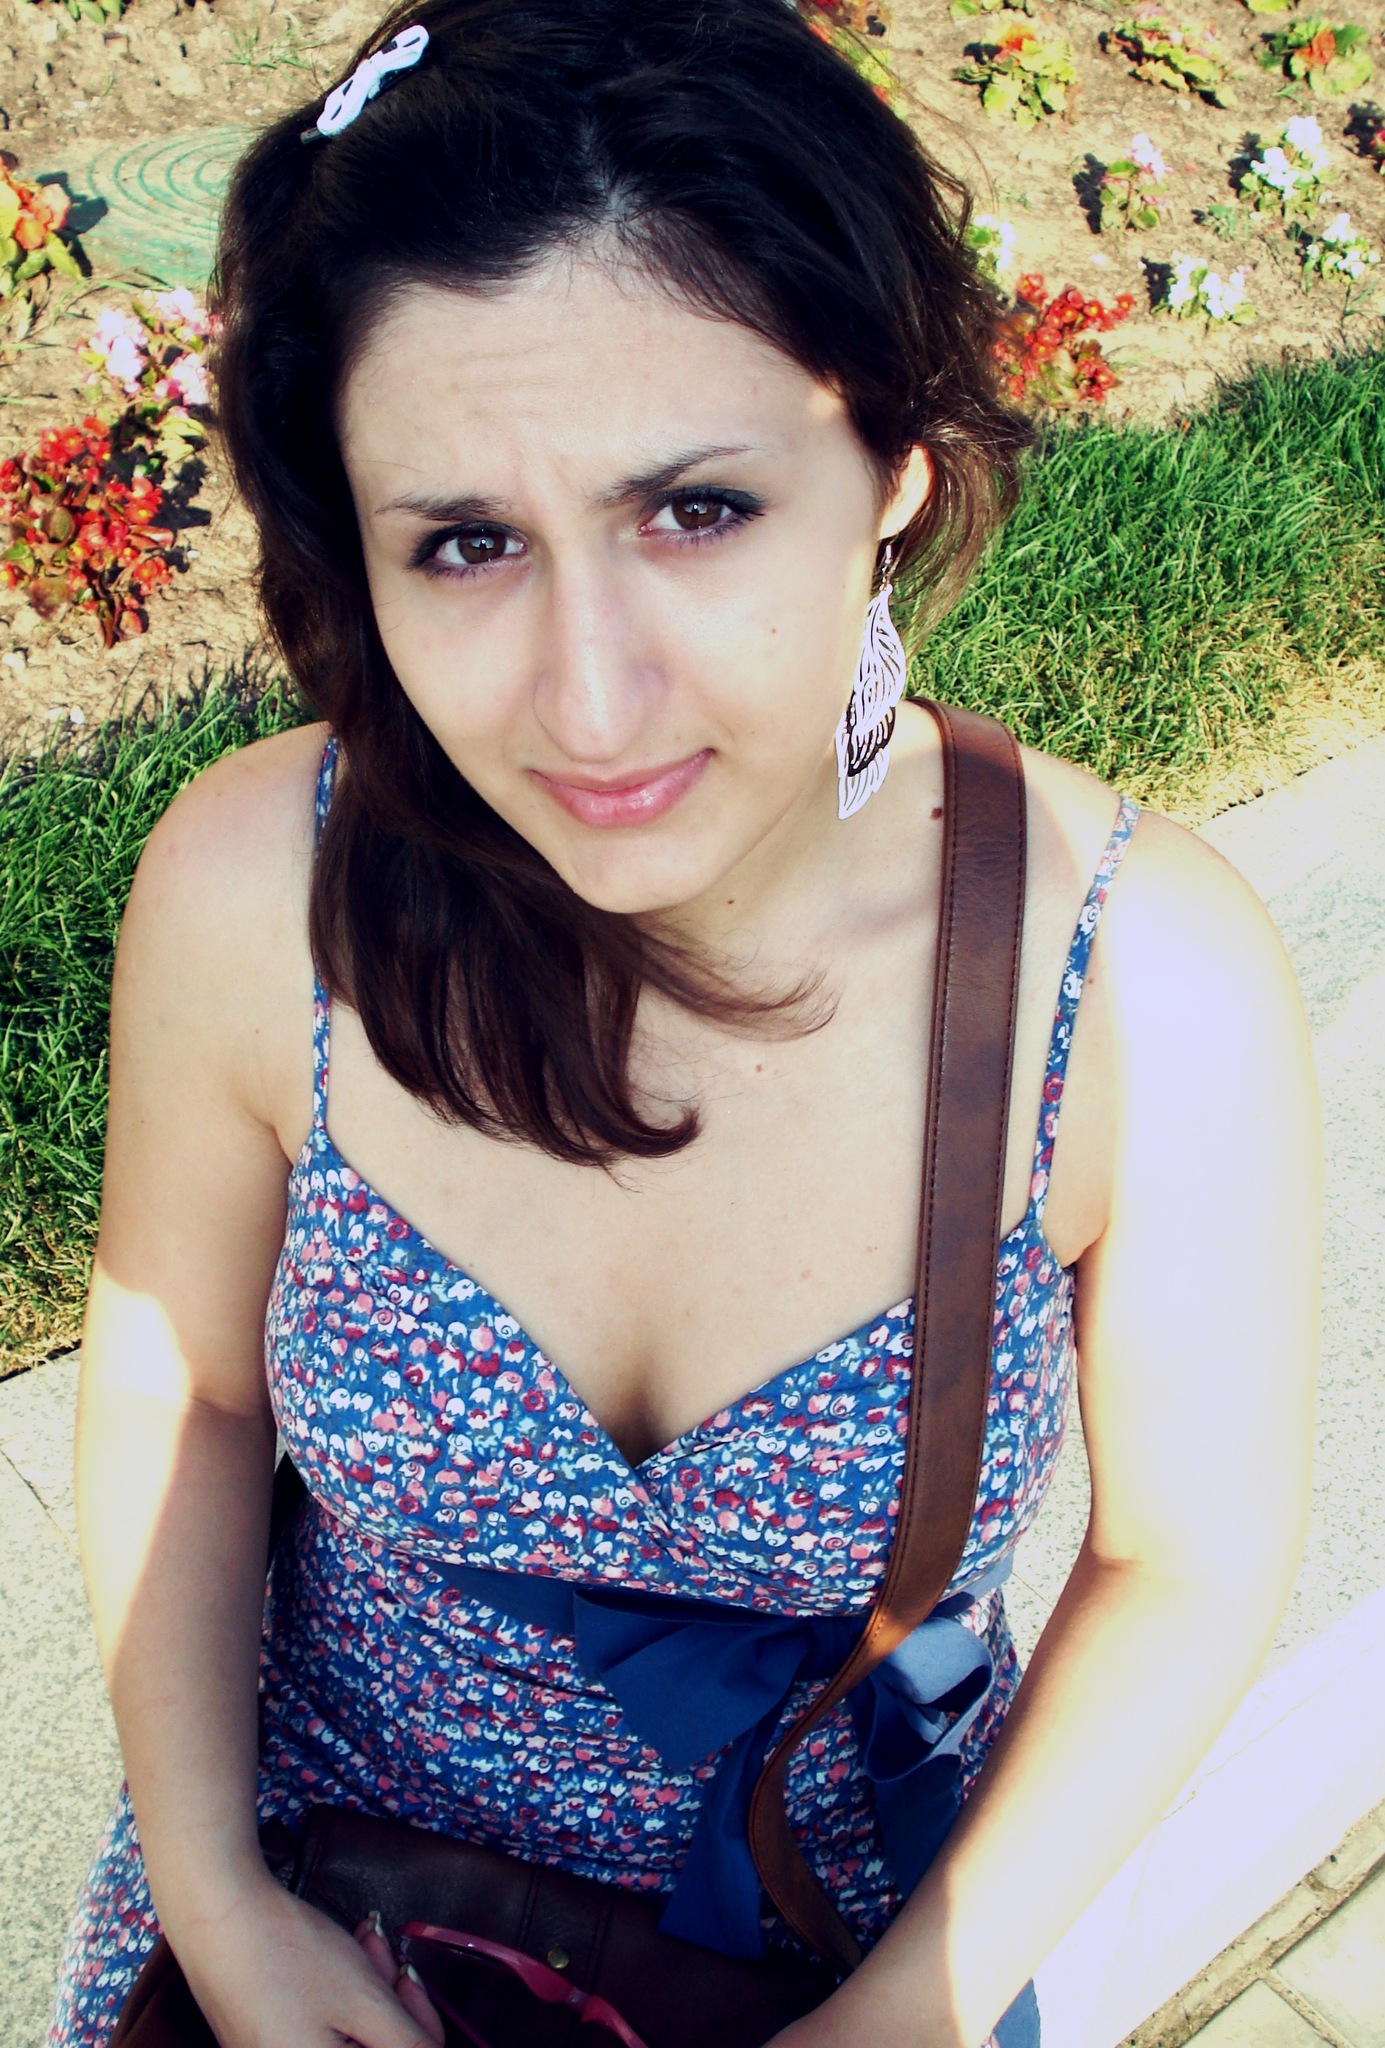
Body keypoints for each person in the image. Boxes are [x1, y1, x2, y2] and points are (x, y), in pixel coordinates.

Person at [50, 3, 1320, 2045]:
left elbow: (1183, 1561)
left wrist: (898, 2019)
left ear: (893, 465)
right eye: (466, 544)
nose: (590, 698)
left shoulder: (1135, 988)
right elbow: (183, 1385)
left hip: (857, 1950)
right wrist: (213, 1898)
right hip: (313, 1918)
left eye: (696, 510)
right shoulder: (259, 894)